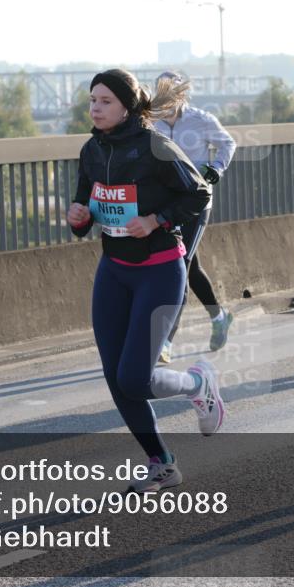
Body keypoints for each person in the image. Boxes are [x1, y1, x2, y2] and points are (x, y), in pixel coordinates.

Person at [66, 69, 221, 493]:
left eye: (105, 101)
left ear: (127, 107)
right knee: (115, 376)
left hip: (159, 270)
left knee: (136, 379)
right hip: (114, 270)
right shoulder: (91, 150)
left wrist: (156, 219)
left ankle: (197, 384)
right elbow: (86, 208)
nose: (95, 108)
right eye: (92, 100)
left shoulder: (156, 146)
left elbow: (199, 193)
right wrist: (78, 217)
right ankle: (162, 464)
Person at [151, 71, 236, 363]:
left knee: (179, 265)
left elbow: (228, 144)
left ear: (182, 95)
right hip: (166, 204)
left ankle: (165, 341)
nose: (165, 100)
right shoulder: (151, 122)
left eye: (171, 94)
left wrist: (216, 168)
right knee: (191, 265)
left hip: (197, 202)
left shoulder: (201, 119)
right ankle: (220, 317)